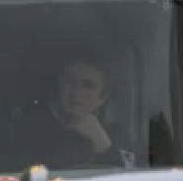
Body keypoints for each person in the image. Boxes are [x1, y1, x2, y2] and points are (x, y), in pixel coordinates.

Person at [10, 54, 138, 169]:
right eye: (69, 82)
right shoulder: (27, 128)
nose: (76, 92)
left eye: (88, 86)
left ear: (102, 97)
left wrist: (104, 147)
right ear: (58, 85)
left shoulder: (115, 134)